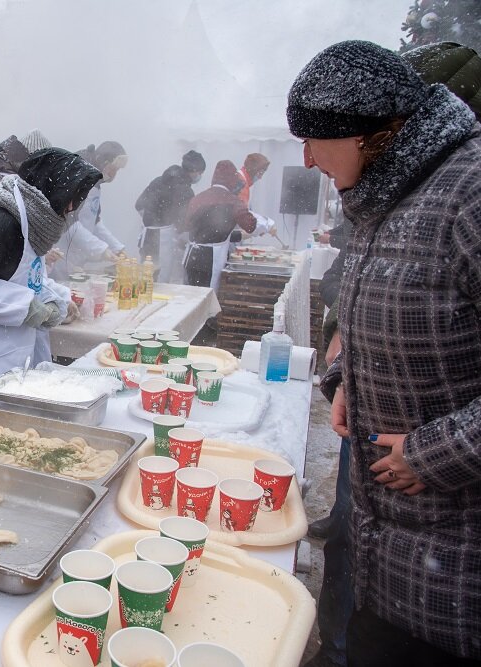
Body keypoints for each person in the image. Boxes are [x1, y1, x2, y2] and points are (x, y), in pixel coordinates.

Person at [288, 40, 481, 665]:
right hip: (390, 543)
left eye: (317, 140)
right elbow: (389, 317)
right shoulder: (389, 195)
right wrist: (348, 376)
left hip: (455, 558)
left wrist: (434, 453)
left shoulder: (468, 194)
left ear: (374, 131)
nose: (309, 159)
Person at [0, 148, 101, 405]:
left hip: (10, 348)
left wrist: (57, 299)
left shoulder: (33, 221)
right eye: (70, 198)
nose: (71, 207)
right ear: (52, 190)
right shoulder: (3, 225)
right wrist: (25, 307)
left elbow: (27, 276)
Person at [48, 141, 128, 280]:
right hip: (61, 253)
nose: (114, 174)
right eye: (113, 168)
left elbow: (95, 221)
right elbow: (68, 223)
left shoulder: (95, 182)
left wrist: (117, 247)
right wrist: (101, 249)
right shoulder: (78, 177)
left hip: (78, 254)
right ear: (103, 162)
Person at [181, 160, 256, 290]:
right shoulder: (232, 200)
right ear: (232, 179)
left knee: (191, 297)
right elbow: (250, 225)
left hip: (192, 258)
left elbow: (187, 225)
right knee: (207, 299)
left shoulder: (198, 198)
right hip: (210, 260)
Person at [135, 150, 206, 281]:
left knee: (145, 276)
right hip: (164, 238)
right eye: (200, 173)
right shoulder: (185, 190)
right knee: (161, 280)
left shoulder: (158, 180)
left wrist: (150, 222)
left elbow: (139, 205)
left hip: (146, 237)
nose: (199, 176)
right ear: (194, 171)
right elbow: (182, 221)